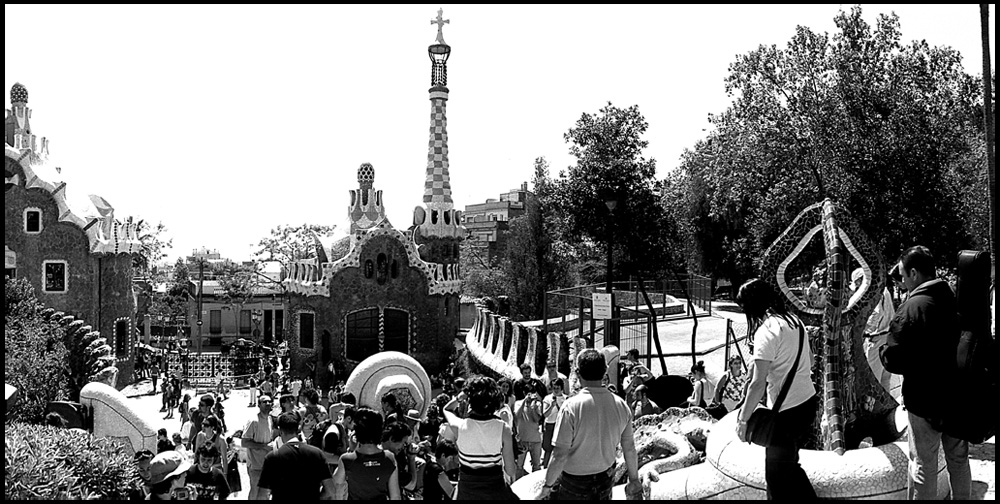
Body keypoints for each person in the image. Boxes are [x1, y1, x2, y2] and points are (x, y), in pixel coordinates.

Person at [880, 246, 970, 501]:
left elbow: (893, 359)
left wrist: (882, 353)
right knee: (958, 459)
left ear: (914, 272)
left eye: (903, 275)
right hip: (956, 395)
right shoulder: (953, 298)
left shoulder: (911, 308)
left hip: (925, 401)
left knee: (923, 466)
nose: (902, 281)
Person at [735, 278, 818, 500]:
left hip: (786, 414)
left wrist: (743, 420)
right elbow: (810, 359)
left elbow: (757, 383)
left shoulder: (767, 330)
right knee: (789, 466)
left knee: (776, 481)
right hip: (807, 403)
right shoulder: (794, 322)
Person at [541, 349, 640, 501]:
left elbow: (560, 455)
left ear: (578, 372)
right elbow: (629, 448)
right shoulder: (621, 405)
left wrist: (546, 487)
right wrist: (634, 480)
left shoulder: (570, 407)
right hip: (605, 481)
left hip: (574, 483)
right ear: (605, 371)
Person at [443, 376, 518, 500]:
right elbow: (510, 470)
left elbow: (447, 409)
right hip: (495, 491)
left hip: (466, 492)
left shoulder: (459, 426)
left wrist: (460, 397)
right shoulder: (503, 429)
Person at [258, 412, 336, 501]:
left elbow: (263, 495)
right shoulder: (317, 454)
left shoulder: (273, 457)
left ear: (280, 431)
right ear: (298, 429)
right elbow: (331, 490)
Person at [333, 407, 400, 501]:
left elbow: (336, 483)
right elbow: (395, 496)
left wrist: (352, 448)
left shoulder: (347, 460)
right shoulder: (389, 458)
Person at [862, 269, 899, 395]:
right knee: (885, 379)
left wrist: (864, 330)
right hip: (887, 336)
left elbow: (876, 314)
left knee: (872, 380)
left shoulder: (874, 292)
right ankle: (885, 410)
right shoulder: (884, 290)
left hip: (876, 338)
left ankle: (873, 411)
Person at [241, 395, 276, 501]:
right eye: (264, 402)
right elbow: (244, 442)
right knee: (255, 491)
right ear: (259, 405)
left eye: (269, 402)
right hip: (255, 465)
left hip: (267, 464)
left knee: (265, 492)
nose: (267, 404)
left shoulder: (270, 419)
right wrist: (264, 447)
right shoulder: (253, 421)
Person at [382, 421, 418, 495]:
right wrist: (411, 458)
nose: (403, 447)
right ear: (392, 439)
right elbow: (411, 485)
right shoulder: (391, 460)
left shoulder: (371, 451)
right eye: (403, 443)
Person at [514, 391, 543, 479]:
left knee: (536, 466)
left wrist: (532, 408)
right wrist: (524, 402)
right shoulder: (518, 403)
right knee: (519, 466)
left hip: (535, 440)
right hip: (522, 440)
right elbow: (517, 415)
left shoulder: (537, 404)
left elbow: (536, 419)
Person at [541, 378, 567, 468]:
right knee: (548, 449)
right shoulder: (547, 399)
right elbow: (545, 414)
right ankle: (545, 468)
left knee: (560, 449)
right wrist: (551, 406)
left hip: (561, 425)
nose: (555, 390)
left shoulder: (566, 399)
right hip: (550, 425)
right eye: (554, 388)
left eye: (557, 388)